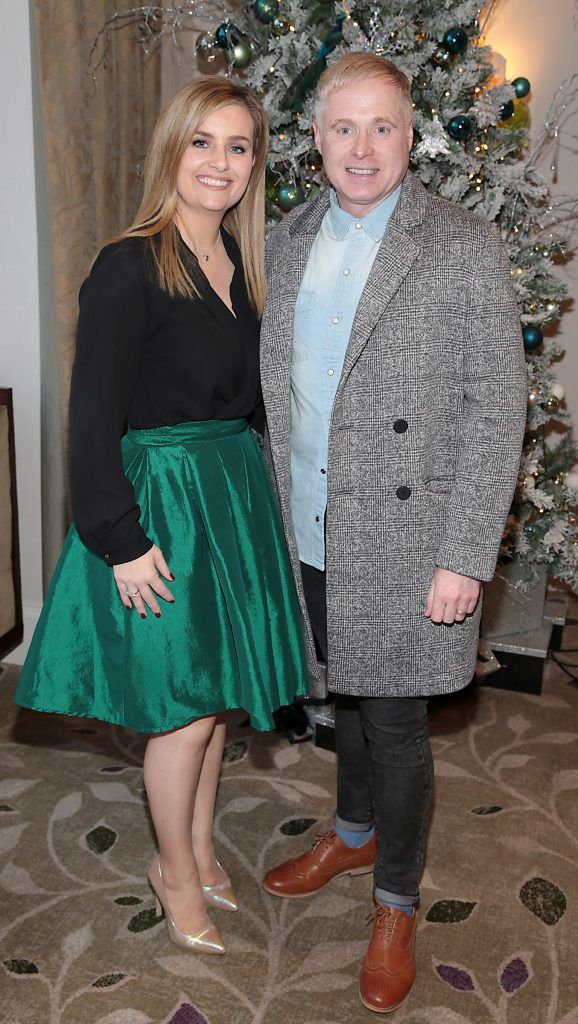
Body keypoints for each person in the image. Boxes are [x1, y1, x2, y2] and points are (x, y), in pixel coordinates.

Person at [15, 76, 308, 956]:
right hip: (162, 503)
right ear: (172, 151)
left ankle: (201, 847)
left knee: (217, 703)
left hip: (231, 494)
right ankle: (172, 871)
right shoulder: (129, 263)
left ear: (256, 165)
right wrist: (121, 539)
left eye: (240, 146)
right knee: (181, 706)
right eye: (203, 143)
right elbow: (90, 415)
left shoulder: (245, 265)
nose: (221, 163)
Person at [260, 52, 527, 1013]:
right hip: (312, 521)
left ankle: (394, 900)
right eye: (343, 128)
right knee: (353, 698)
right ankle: (353, 827)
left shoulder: (460, 245)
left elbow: (498, 407)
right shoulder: (285, 239)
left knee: (400, 721)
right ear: (317, 137)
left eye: (383, 128)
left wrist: (466, 553)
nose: (362, 148)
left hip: (413, 541)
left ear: (412, 136)